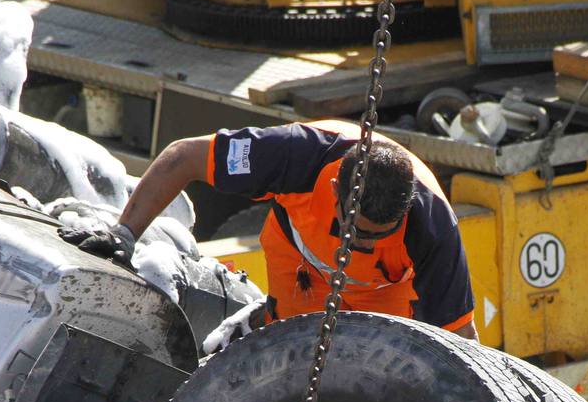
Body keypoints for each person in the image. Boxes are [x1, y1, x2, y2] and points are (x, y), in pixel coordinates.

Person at [61, 120, 478, 340]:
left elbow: (460, 334)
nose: (360, 245)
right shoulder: (295, 156)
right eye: (357, 231)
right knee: (280, 360)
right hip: (300, 272)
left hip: (383, 302)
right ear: (335, 189)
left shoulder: (432, 225)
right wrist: (125, 234)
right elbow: (183, 157)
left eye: (376, 236)